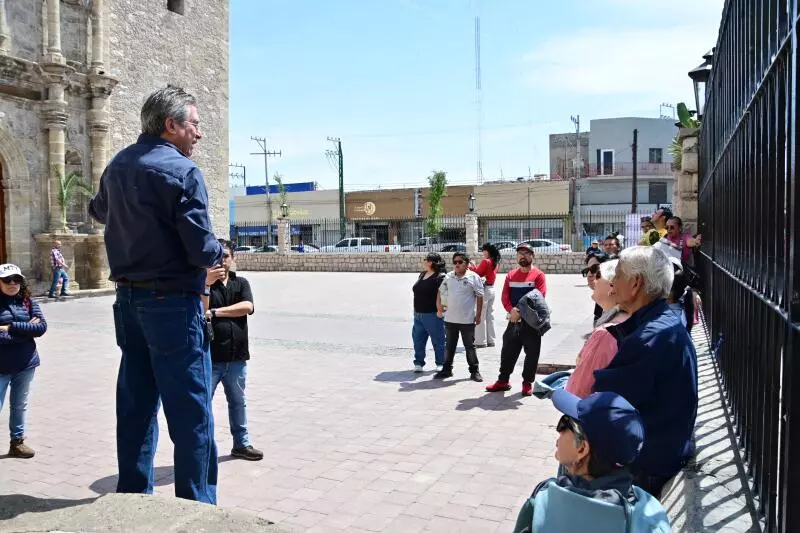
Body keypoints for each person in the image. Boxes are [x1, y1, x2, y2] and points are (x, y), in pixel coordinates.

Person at [88, 86, 224, 504]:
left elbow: (98, 211)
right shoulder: (183, 172)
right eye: (194, 124)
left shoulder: (118, 164)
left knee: (135, 404)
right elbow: (201, 249)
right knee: (191, 413)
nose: (198, 134)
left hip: (128, 302)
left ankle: (133, 499)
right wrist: (223, 250)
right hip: (172, 305)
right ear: (172, 125)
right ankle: (197, 508)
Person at [594, 246, 698, 498]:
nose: (612, 283)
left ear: (636, 283)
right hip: (660, 451)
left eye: (617, 275)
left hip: (646, 465)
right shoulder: (662, 322)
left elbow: (604, 402)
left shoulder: (649, 337)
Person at [512, 390, 671, 533]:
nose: (558, 431)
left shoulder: (542, 502)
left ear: (581, 448)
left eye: (564, 424)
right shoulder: (650, 517)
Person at [203, 239, 263, 461]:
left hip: (237, 357)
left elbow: (247, 307)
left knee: (238, 401)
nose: (222, 262)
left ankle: (241, 444)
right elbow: (202, 310)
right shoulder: (204, 285)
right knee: (203, 403)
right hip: (211, 357)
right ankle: (204, 447)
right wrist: (206, 284)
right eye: (218, 257)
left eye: (226, 256)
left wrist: (217, 312)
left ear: (233, 258)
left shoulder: (241, 283)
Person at [485, 243, 547, 396]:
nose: (522, 256)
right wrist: (510, 310)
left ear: (532, 256)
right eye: (520, 253)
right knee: (507, 351)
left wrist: (518, 311)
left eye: (526, 253)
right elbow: (505, 296)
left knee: (532, 354)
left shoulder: (539, 275)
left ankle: (527, 383)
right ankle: (503, 380)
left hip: (531, 322)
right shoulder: (511, 275)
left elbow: (539, 296)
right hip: (513, 320)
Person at [0, 264, 47, 459]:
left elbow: (42, 327)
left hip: (26, 364)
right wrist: (25, 331)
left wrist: (10, 328)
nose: (12, 283)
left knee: (19, 405)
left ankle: (17, 443)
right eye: (7, 280)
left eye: (16, 279)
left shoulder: (27, 301)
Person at [565, 260, 629, 398]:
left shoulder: (606, 333)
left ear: (612, 286)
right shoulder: (626, 318)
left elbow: (581, 389)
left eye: (599, 275)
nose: (594, 279)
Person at [435, 252, 484, 382]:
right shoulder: (449, 276)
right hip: (450, 319)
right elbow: (441, 291)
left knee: (470, 347)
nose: (456, 264)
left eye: (460, 262)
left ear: (467, 264)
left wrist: (478, 315)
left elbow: (480, 297)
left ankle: (475, 371)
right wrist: (439, 306)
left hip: (467, 320)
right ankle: (447, 370)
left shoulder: (474, 277)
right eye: (455, 262)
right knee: (449, 346)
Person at [411, 252, 446, 372]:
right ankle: (419, 363)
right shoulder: (422, 274)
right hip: (418, 314)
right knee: (418, 340)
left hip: (433, 314)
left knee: (438, 340)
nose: (423, 261)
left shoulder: (440, 277)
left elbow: (442, 295)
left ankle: (441, 363)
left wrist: (440, 310)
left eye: (425, 259)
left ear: (431, 262)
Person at [469, 243, 500, 348]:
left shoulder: (486, 261)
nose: (482, 252)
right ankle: (491, 340)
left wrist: (471, 266)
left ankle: (480, 341)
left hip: (485, 290)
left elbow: (477, 274)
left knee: (480, 315)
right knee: (489, 316)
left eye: (483, 250)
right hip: (491, 289)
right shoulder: (495, 262)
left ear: (487, 251)